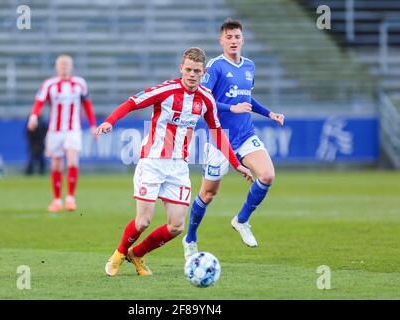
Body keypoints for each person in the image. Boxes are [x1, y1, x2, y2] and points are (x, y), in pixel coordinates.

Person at [95, 47, 253, 277]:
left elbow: (217, 132)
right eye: (188, 69)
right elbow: (131, 103)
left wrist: (237, 163)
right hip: (152, 162)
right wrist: (110, 121)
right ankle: (118, 255)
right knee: (143, 221)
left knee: (177, 226)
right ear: (181, 68)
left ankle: (137, 253)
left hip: (179, 166)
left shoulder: (206, 99)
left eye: (196, 71)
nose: (191, 74)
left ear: (203, 72)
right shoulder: (165, 90)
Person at [183, 19, 285, 259]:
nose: (233, 41)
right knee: (208, 195)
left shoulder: (249, 66)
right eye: (228, 37)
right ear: (221, 41)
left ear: (242, 39)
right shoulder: (215, 67)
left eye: (237, 37)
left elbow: (247, 99)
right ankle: (190, 239)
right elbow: (203, 101)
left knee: (267, 175)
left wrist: (270, 114)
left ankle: (242, 220)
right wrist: (232, 109)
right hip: (220, 137)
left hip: (245, 135)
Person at [27, 54, 97, 212]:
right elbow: (39, 103)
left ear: (71, 67)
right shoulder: (49, 84)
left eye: (67, 64)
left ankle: (70, 198)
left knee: (72, 159)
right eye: (61, 64)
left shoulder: (80, 83)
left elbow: (87, 105)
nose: (64, 66)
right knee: (56, 164)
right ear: (56, 67)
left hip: (73, 129)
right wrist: (33, 117)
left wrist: (93, 125)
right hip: (55, 131)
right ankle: (57, 200)